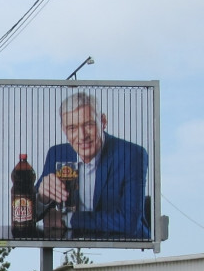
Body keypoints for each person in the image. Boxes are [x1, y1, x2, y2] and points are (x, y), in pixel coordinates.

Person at [36, 91, 150, 240]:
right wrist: (42, 199)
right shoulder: (57, 154)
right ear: (64, 130)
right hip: (71, 241)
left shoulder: (132, 155)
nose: (82, 136)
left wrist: (68, 219)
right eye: (72, 128)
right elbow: (27, 216)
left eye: (89, 124)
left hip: (126, 244)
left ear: (103, 122)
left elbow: (129, 223)